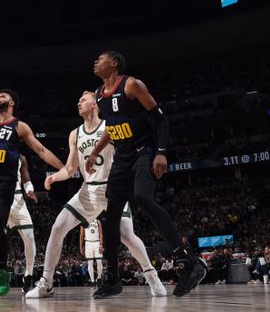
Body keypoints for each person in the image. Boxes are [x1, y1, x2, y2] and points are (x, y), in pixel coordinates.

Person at [86, 51, 206, 298]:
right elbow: (111, 127)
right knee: (110, 218)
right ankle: (112, 279)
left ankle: (189, 261)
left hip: (145, 151)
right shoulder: (98, 95)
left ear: (114, 63)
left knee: (142, 197)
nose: (96, 61)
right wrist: (95, 151)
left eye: (101, 58)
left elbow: (161, 120)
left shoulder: (131, 84)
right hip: (122, 156)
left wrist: (161, 152)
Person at [26, 91, 165, 299]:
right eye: (78, 99)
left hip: (113, 188)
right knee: (57, 228)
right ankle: (46, 283)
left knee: (126, 235)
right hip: (88, 190)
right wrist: (55, 177)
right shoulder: (75, 134)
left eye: (83, 99)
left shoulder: (109, 127)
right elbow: (71, 168)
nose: (78, 102)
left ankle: (152, 276)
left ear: (95, 104)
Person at [0, 89, 64, 299]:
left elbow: (41, 151)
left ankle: (2, 271)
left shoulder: (19, 126)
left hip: (5, 184)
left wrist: (64, 168)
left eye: (2, 96)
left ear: (11, 103)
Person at [0, 155, 37, 293]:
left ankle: (28, 277)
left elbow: (25, 178)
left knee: (29, 236)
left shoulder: (21, 157)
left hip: (17, 199)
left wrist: (29, 189)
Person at [81, 219, 103, 286]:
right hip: (88, 243)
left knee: (99, 262)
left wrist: (101, 245)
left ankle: (99, 278)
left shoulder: (98, 221)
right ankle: (92, 281)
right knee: (90, 263)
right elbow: (81, 235)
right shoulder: (84, 221)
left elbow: (101, 234)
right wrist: (80, 246)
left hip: (97, 242)